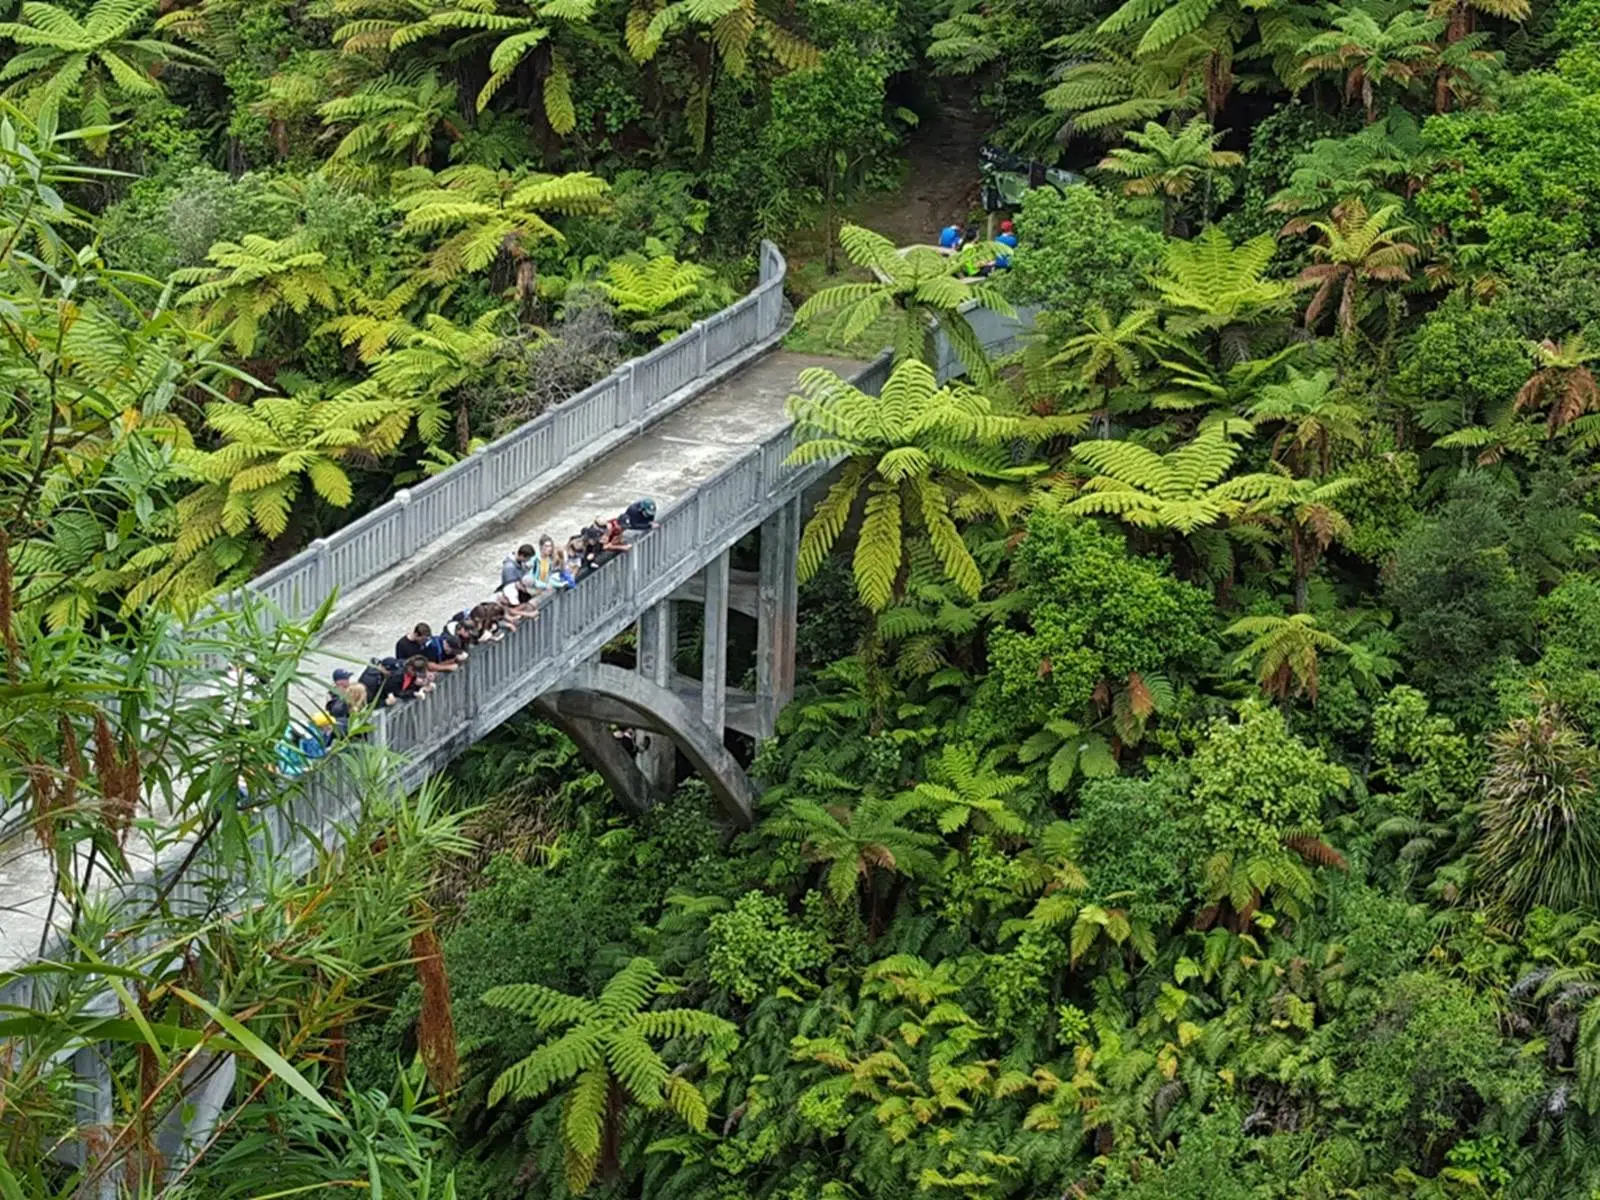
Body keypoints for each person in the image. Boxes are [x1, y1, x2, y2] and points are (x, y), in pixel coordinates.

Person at [498, 544, 540, 616]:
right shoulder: (509, 568)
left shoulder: (520, 562)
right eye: (528, 558)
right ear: (522, 556)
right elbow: (510, 588)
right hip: (511, 594)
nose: (528, 561)